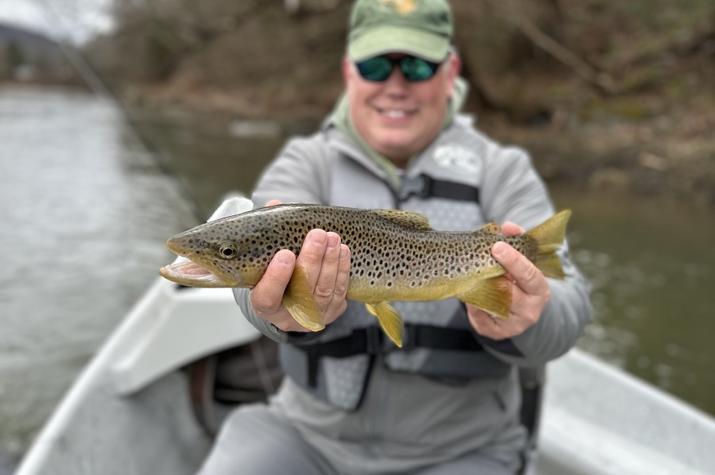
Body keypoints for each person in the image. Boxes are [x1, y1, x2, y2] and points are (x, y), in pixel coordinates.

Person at [197, 0, 591, 474]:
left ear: (451, 73)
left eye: (419, 66)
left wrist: (532, 316)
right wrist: (276, 313)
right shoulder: (306, 162)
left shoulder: (503, 170)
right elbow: (252, 252)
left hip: (463, 450)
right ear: (349, 71)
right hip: (307, 437)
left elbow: (571, 305)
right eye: (376, 65)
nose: (396, 85)